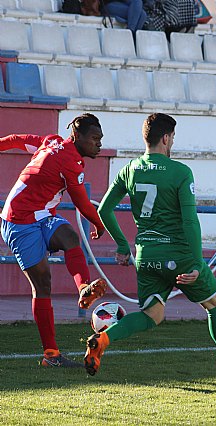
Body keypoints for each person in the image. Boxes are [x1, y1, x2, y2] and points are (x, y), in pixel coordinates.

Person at [84, 113, 216, 380]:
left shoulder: (129, 170)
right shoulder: (180, 172)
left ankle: (105, 340)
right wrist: (194, 263)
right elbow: (190, 221)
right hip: (178, 255)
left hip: (146, 256)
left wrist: (122, 245)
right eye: (173, 138)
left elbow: (105, 209)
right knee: (215, 304)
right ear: (166, 138)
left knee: (151, 315)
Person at [0, 113, 108, 367]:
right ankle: (51, 355)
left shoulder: (51, 141)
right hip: (18, 221)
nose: (99, 144)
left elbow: (17, 140)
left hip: (42, 214)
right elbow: (81, 202)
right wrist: (99, 223)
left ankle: (83, 289)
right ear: (77, 136)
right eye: (94, 139)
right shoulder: (69, 162)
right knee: (43, 283)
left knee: (70, 237)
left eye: (100, 139)